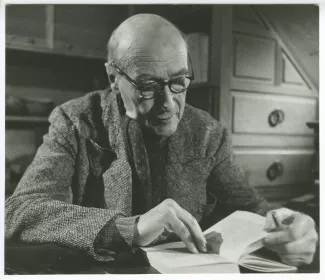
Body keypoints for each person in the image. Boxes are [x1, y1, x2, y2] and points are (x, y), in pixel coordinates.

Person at [5, 14, 318, 267]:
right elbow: (19, 212)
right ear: (113, 78)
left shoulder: (209, 134)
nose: (168, 104)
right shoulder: (74, 121)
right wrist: (131, 227)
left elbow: (254, 210)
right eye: (147, 85)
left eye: (179, 81)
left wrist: (289, 228)